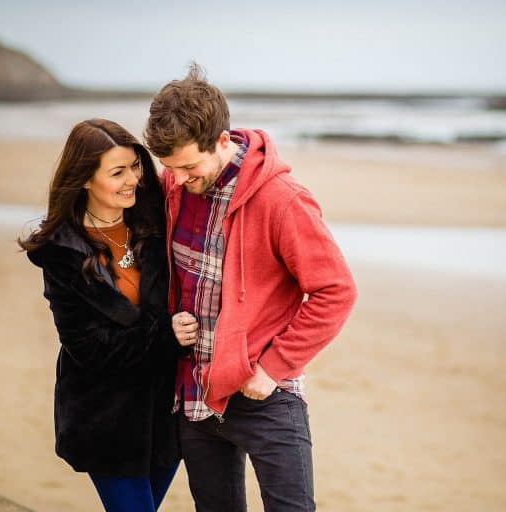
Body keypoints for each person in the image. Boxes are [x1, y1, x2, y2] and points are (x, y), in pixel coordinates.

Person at [146, 64, 358, 512]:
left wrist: (273, 367)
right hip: (195, 395)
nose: (179, 179)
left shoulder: (281, 199)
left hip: (265, 395)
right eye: (170, 167)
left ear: (222, 141)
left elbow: (335, 290)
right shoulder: (174, 184)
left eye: (188, 166)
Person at [19, 118, 196, 512]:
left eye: (135, 166)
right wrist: (166, 338)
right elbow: (89, 348)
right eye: (117, 172)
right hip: (107, 420)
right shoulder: (61, 252)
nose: (132, 179)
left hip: (164, 417)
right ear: (85, 178)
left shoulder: (154, 223)